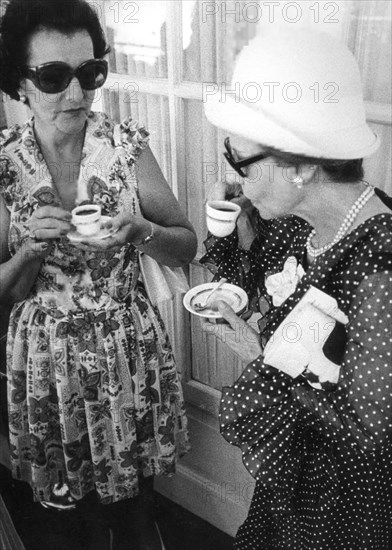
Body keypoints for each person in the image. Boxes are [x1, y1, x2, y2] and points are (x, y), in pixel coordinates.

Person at [0, 0, 197, 549]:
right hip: (47, 367)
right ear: (19, 82)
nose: (76, 93)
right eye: (53, 76)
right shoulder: (4, 167)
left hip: (125, 353)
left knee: (135, 516)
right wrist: (28, 252)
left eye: (89, 74)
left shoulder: (125, 147)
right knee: (69, 523)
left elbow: (186, 246)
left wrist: (142, 233)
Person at [200, 28, 392, 550]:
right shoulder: (296, 226)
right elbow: (240, 290)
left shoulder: (381, 265)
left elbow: (369, 435)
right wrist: (229, 231)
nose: (237, 179)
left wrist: (263, 353)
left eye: (242, 162)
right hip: (293, 494)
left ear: (304, 164)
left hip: (342, 513)